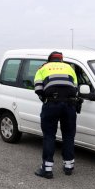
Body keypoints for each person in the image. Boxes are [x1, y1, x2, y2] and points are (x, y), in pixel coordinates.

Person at [34, 51, 78, 179]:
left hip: (51, 105)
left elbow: (38, 89)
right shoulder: (69, 68)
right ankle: (68, 166)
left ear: (49, 60)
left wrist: (47, 100)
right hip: (69, 105)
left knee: (49, 136)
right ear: (61, 60)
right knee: (69, 135)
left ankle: (47, 169)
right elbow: (75, 88)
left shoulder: (42, 68)